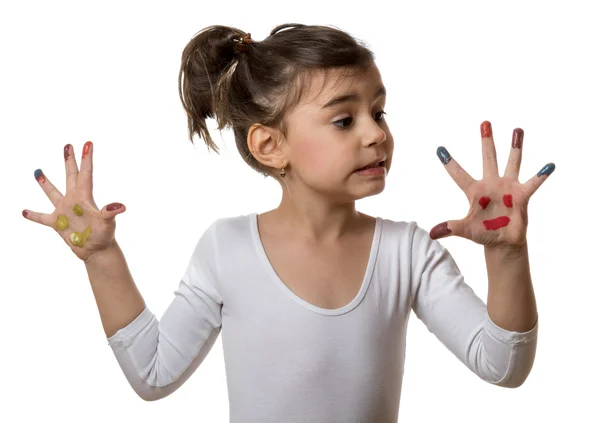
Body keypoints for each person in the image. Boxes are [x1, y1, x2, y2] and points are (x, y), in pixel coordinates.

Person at [22, 23, 554, 423]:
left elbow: (502, 366)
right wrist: (101, 256)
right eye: (344, 119)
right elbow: (153, 374)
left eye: (380, 112)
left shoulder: (407, 253)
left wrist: (506, 253)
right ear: (270, 145)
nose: (375, 134)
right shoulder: (226, 249)